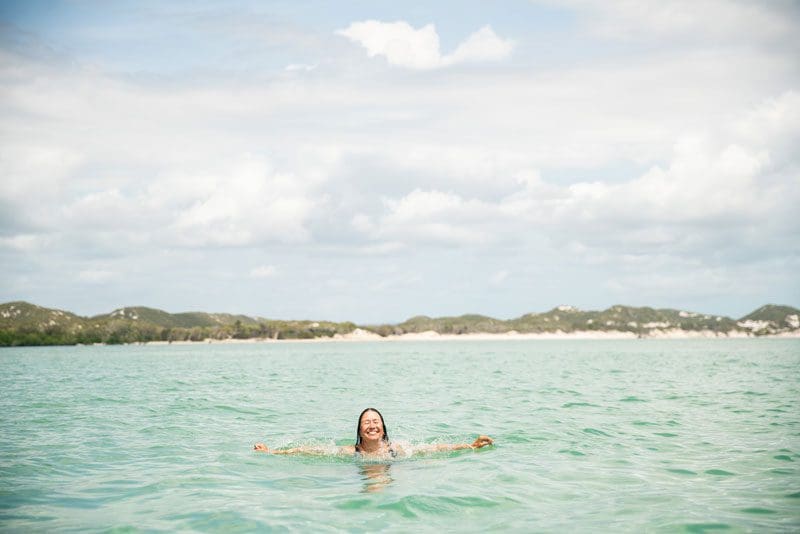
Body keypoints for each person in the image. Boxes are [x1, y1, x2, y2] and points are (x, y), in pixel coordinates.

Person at [253, 407, 493, 458]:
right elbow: (309, 451)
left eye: (376, 421)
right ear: (359, 430)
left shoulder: (397, 449)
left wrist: (470, 446)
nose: (371, 425)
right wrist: (272, 452)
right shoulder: (350, 451)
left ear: (383, 428)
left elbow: (435, 448)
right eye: (366, 422)